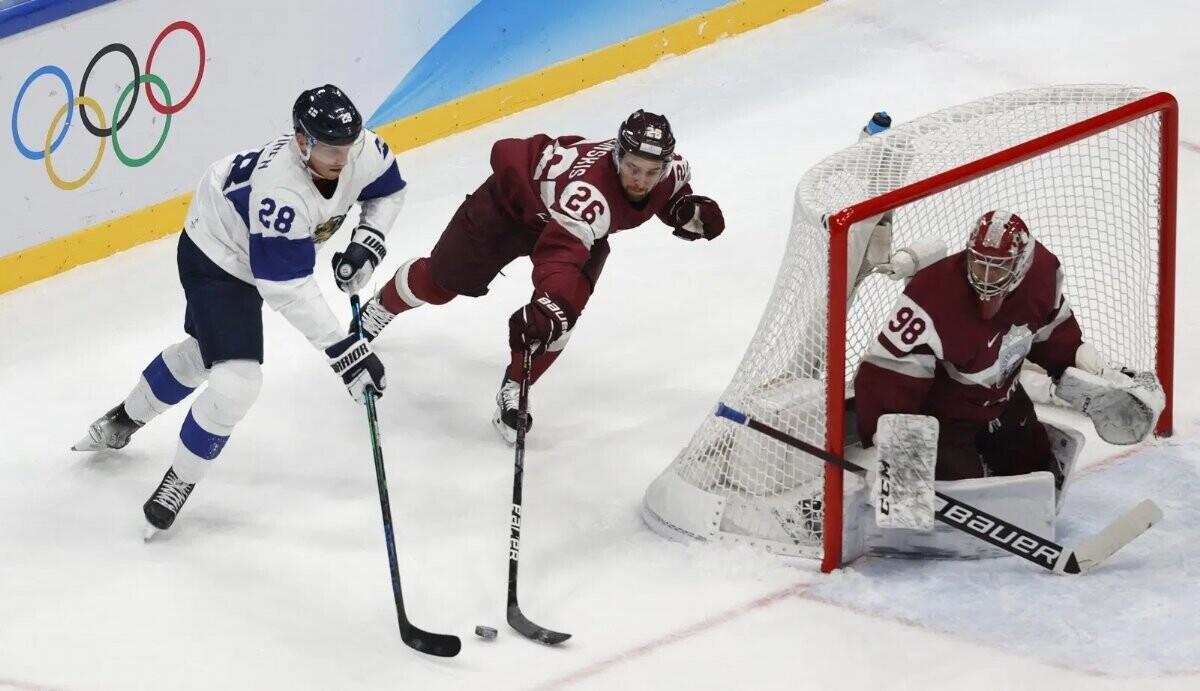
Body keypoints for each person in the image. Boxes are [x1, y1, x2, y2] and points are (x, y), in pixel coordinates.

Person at [73, 84, 406, 536]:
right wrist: (346, 352)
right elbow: (285, 287)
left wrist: (369, 242)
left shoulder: (361, 148)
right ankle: (181, 478)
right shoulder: (280, 194)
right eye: (330, 147)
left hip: (261, 251)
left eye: (347, 144)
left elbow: (387, 191)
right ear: (302, 140)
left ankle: (124, 417)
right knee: (237, 382)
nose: (342, 158)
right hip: (218, 254)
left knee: (204, 353)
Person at [356, 110, 726, 443]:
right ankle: (382, 306)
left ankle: (517, 384)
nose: (641, 180)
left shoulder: (669, 171)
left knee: (561, 318)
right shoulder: (589, 196)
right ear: (617, 156)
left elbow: (667, 194)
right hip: (507, 208)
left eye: (650, 172)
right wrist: (550, 303)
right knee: (439, 285)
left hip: (573, 229)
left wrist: (683, 209)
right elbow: (559, 258)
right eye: (632, 168)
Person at [853, 209, 1158, 501]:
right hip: (945, 416)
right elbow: (886, 376)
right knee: (964, 495)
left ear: (1022, 265)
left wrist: (1076, 357)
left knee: (1038, 474)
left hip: (1004, 400)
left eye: (997, 266)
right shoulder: (931, 296)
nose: (985, 276)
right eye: (979, 263)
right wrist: (892, 435)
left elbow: (1050, 331)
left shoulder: (1042, 274)